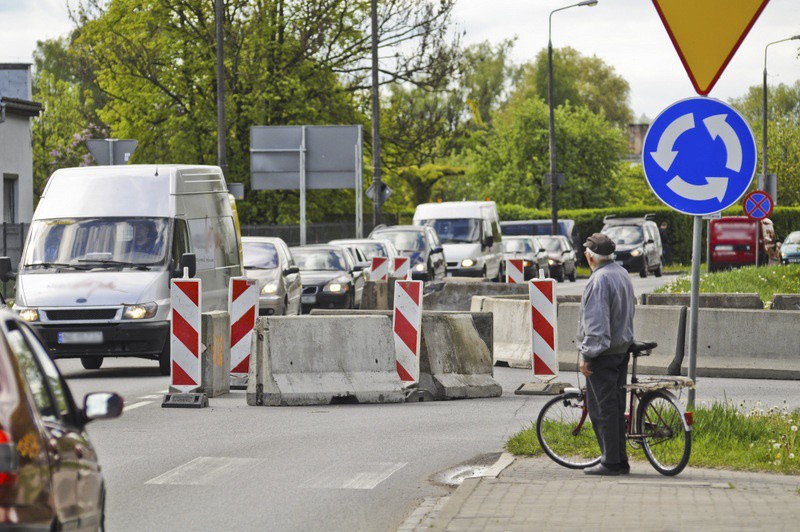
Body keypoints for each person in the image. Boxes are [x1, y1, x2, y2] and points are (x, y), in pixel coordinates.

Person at [577, 233, 636, 476]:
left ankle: (610, 462)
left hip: (604, 353)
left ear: (590, 257)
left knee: (602, 409)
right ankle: (620, 460)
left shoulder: (598, 280)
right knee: (615, 405)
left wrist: (587, 356)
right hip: (621, 349)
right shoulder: (621, 273)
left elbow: (597, 324)